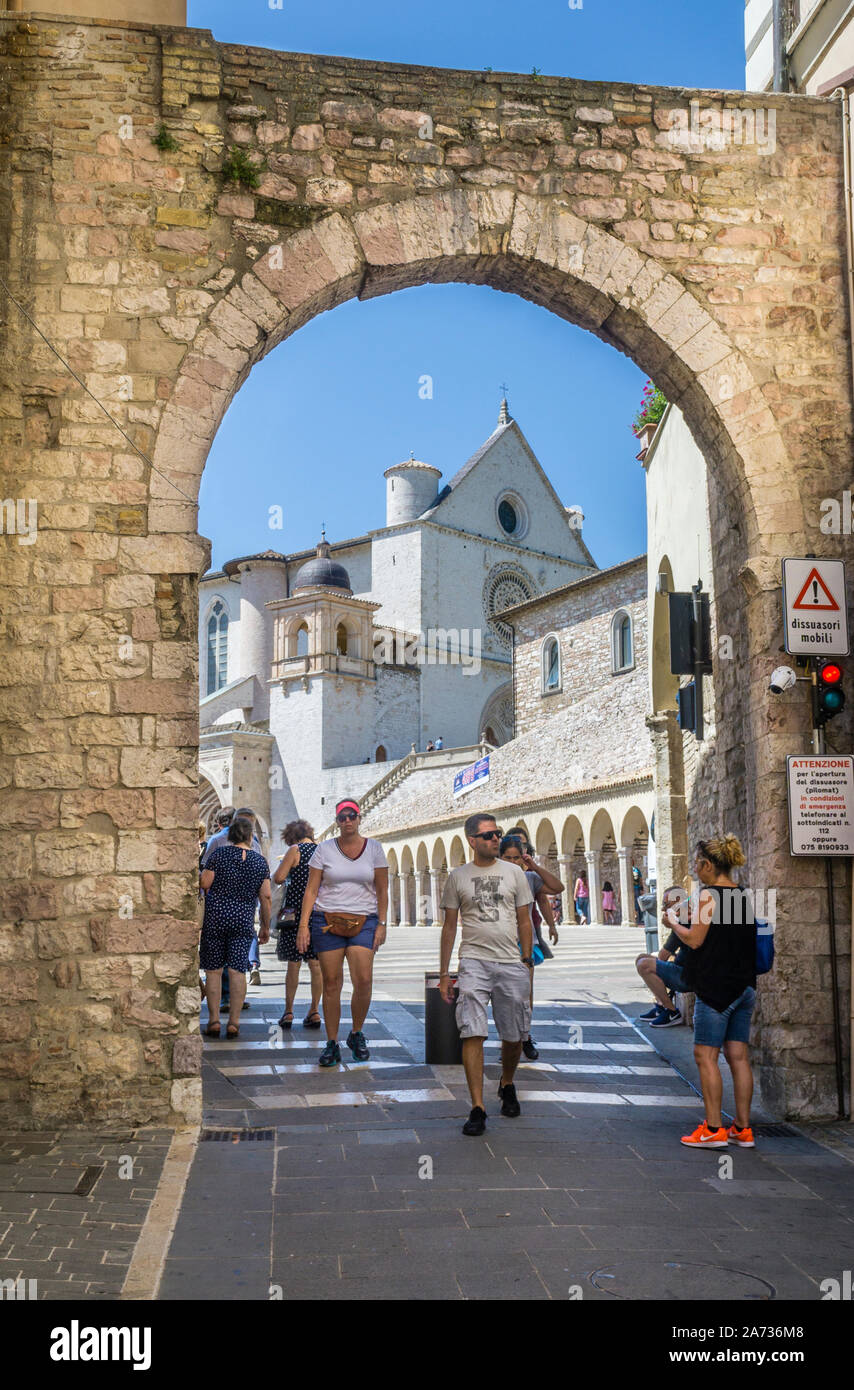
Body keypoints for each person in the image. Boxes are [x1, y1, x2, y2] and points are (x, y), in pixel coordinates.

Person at [438, 813, 534, 1137]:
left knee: (514, 1034)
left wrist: (526, 958)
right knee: (472, 1031)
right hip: (473, 961)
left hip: (510, 962)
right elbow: (450, 927)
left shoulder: (515, 873)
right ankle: (477, 1107)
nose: (496, 839)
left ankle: (507, 1082)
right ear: (472, 841)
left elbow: (524, 919)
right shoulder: (458, 877)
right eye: (489, 835)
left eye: (498, 834)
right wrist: (443, 974)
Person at [666, 835, 757, 1150]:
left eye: (696, 862)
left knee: (705, 1056)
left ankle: (713, 1128)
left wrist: (673, 922)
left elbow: (694, 940)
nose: (694, 868)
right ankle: (742, 1129)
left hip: (717, 990)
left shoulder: (708, 897)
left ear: (707, 865)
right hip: (744, 988)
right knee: (739, 1057)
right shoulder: (742, 896)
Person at [296, 799, 388, 1067]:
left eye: (352, 816)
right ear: (337, 821)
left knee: (363, 980)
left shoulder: (374, 849)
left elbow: (382, 889)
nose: (347, 821)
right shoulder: (323, 850)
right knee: (332, 982)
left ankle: (356, 1032)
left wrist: (382, 924)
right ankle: (332, 1042)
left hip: (365, 919)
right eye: (342, 817)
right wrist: (303, 926)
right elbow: (311, 890)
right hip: (327, 920)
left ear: (360, 818)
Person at [199, 816, 272, 1039]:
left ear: (230, 836)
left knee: (213, 971)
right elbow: (266, 896)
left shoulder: (218, 856)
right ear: (250, 836)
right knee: (237, 971)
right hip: (243, 921)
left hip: (216, 918)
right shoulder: (259, 862)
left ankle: (213, 1021)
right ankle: (234, 1022)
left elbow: (204, 883)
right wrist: (266, 927)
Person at [501, 831, 563, 1060]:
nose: (515, 861)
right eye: (509, 857)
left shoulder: (530, 878)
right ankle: (509, 1041)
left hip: (525, 942)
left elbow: (555, 890)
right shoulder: (492, 878)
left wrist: (533, 866)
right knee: (506, 996)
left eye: (519, 855)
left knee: (525, 993)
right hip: (499, 945)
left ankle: (524, 1037)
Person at [273, 819, 322, 1031]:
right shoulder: (322, 851)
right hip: (318, 913)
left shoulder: (295, 850)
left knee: (294, 963)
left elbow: (278, 877)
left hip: (295, 915)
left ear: (291, 836)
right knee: (316, 965)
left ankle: (289, 1011)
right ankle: (314, 1011)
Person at [635, 885, 690, 1027]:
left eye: (666, 904)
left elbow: (663, 956)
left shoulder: (683, 921)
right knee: (641, 958)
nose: (663, 909)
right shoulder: (684, 919)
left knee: (644, 965)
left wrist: (672, 924)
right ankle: (661, 1006)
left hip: (689, 977)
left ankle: (671, 1011)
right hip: (683, 969)